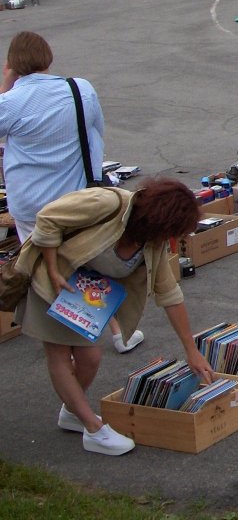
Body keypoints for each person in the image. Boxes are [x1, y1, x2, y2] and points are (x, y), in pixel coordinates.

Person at [12, 179, 215, 456]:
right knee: (59, 354)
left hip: (83, 297)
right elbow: (48, 219)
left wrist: (192, 351)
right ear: (158, 221)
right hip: (51, 282)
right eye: (173, 232)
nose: (173, 240)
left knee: (90, 358)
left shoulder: (151, 242)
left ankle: (73, 411)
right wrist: (52, 269)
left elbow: (169, 293)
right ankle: (93, 428)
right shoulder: (107, 204)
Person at [0, 32, 139, 354]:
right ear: (47, 57)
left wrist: (7, 83)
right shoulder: (80, 89)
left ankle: (69, 333)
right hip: (75, 197)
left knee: (44, 266)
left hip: (30, 202)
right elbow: (95, 134)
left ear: (13, 65)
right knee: (82, 261)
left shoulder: (11, 101)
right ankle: (116, 331)